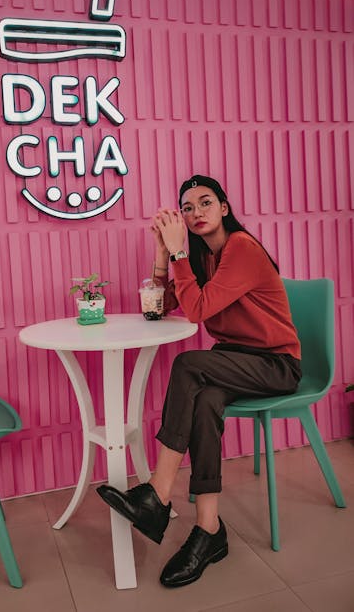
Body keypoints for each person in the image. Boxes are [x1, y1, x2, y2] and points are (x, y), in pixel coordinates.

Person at [96, 174, 302, 588]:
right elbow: (159, 308)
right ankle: (209, 530)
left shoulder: (241, 249)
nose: (195, 213)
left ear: (224, 208)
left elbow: (197, 310)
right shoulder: (201, 257)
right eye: (187, 208)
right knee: (205, 399)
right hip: (234, 360)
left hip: (276, 364)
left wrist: (176, 254)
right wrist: (162, 252)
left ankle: (158, 491)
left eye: (205, 203)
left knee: (190, 365)